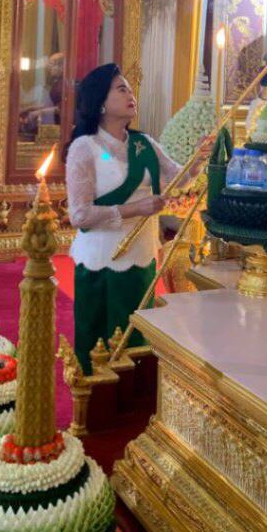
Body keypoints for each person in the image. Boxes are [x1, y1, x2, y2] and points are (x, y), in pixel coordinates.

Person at [65, 64, 180, 372]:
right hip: (102, 262)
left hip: (141, 256)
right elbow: (80, 215)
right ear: (101, 102)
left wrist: (204, 155)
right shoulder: (84, 148)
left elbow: (179, 178)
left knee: (137, 340)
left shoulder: (144, 144)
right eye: (121, 89)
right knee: (101, 347)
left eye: (130, 88)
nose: (131, 94)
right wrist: (136, 209)